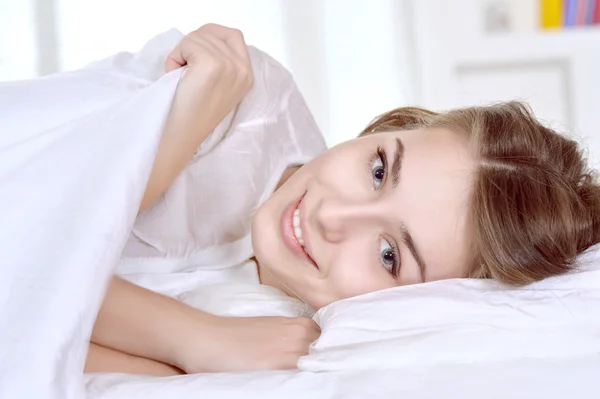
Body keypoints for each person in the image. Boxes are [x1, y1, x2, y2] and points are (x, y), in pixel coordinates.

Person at [85, 24, 600, 376]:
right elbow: (24, 241)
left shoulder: (290, 340)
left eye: (388, 255)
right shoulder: (235, 98)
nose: (330, 216)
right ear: (392, 125)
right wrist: (191, 338)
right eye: (378, 169)